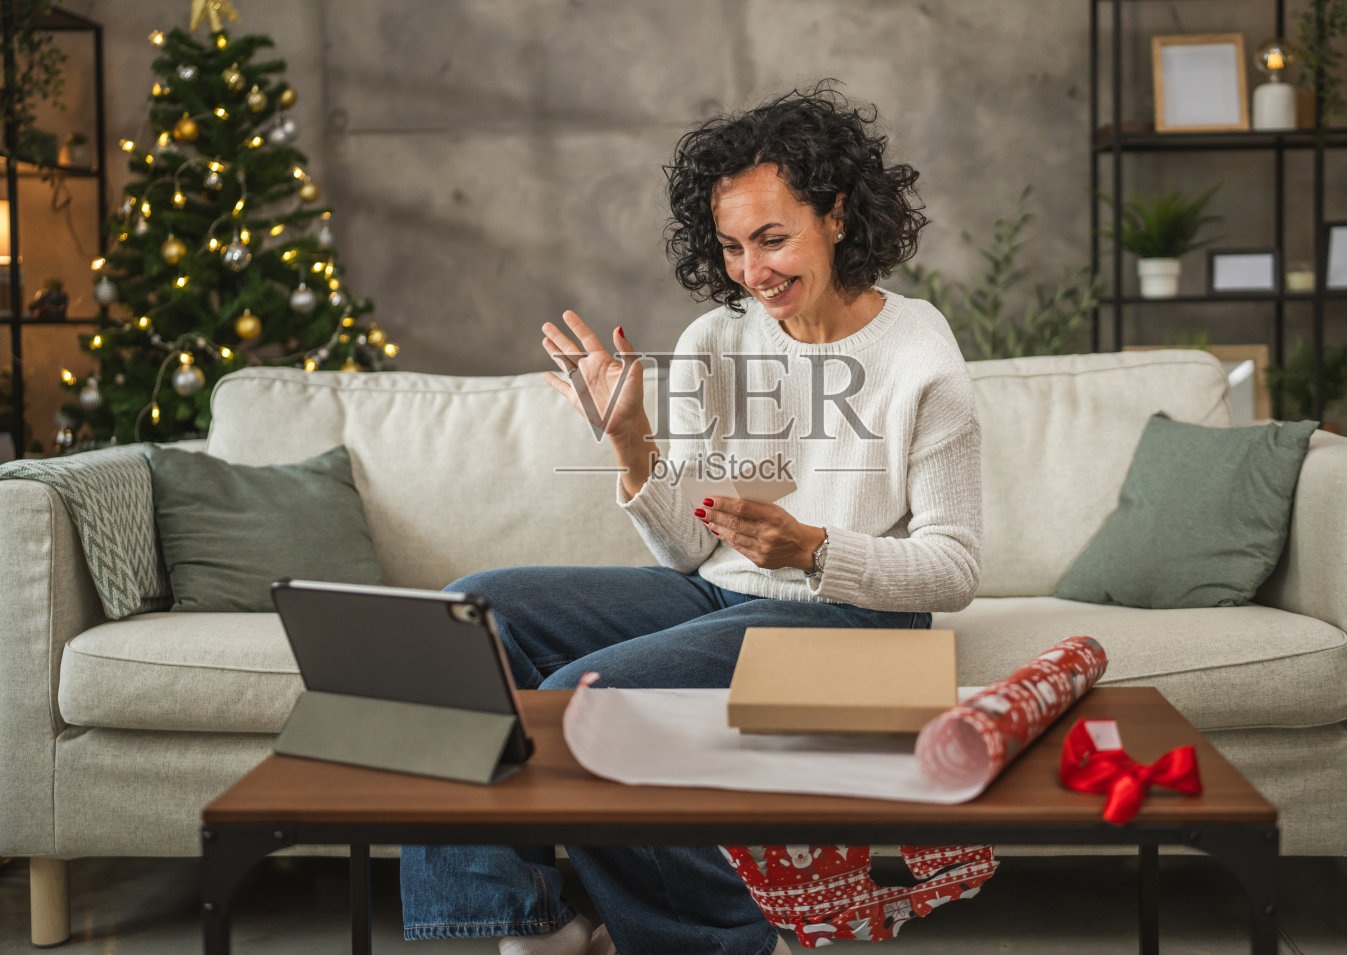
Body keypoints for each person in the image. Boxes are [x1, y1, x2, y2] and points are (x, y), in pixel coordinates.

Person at [400, 81, 984, 955]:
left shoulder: (919, 350)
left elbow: (954, 567)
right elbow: (689, 546)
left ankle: (734, 941)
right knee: (468, 613)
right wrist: (631, 438)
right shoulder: (720, 339)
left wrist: (816, 548)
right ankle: (538, 920)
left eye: (774, 238)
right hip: (719, 597)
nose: (753, 271)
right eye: (734, 246)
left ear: (836, 214)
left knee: (582, 703)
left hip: (862, 622)